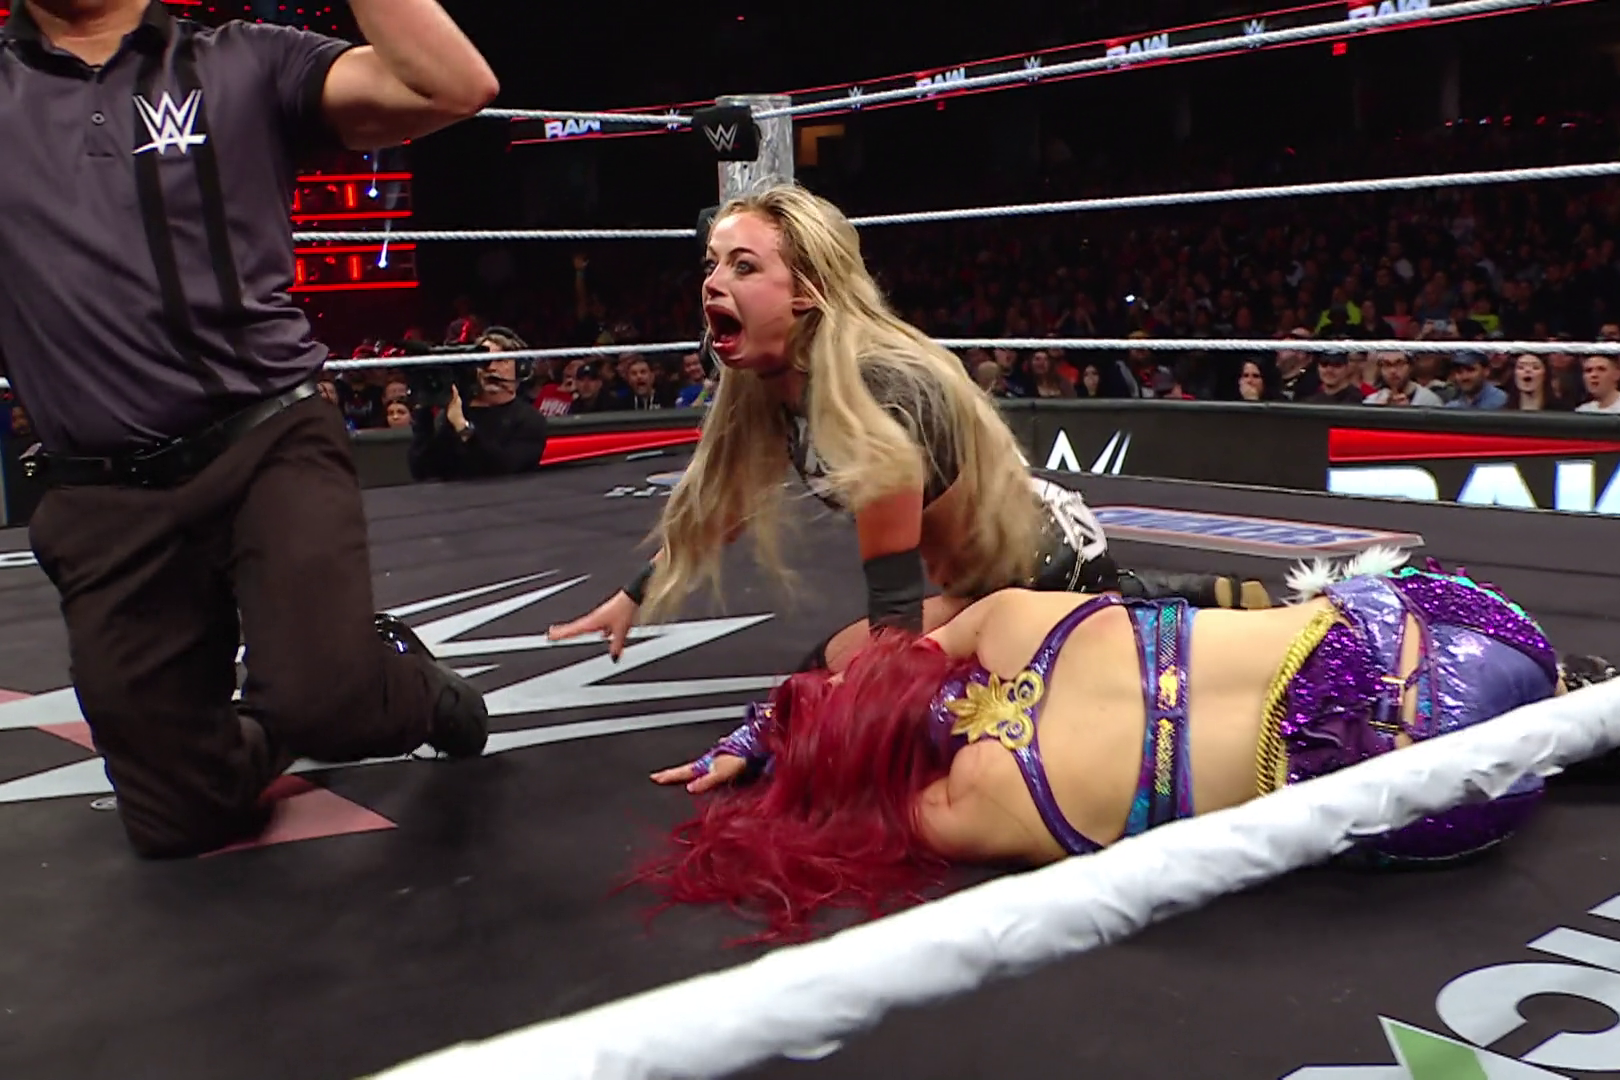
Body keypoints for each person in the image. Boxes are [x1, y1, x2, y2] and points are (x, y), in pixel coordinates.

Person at [635, 550, 1620, 943]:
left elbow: (847, 797)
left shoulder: (965, 808)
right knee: (1552, 700)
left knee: (1519, 749)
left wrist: (780, 755)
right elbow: (868, 652)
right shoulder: (1008, 615)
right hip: (1449, 634)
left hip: (1420, 794)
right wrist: (779, 711)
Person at [0, 0, 499, 857]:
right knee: (176, 819)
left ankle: (400, 689)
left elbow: (453, 87)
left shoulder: (243, 61)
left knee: (328, 701)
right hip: (101, 491)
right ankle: (310, 697)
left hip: (265, 439)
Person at [547, 184, 1265, 673]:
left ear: (807, 292)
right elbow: (725, 504)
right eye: (711, 265)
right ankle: (1157, 598)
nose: (712, 282)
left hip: (1035, 567)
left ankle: (1124, 606)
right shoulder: (772, 385)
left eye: (743, 266)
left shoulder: (877, 394)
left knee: (825, 679)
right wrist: (633, 595)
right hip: (990, 571)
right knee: (826, 677)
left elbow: (891, 620)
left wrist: (845, 726)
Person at [408, 327, 550, 481]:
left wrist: (463, 429)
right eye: (484, 361)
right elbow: (424, 471)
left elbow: (504, 470)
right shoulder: (454, 414)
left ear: (520, 368)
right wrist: (424, 415)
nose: (491, 367)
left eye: (500, 360)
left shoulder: (530, 420)